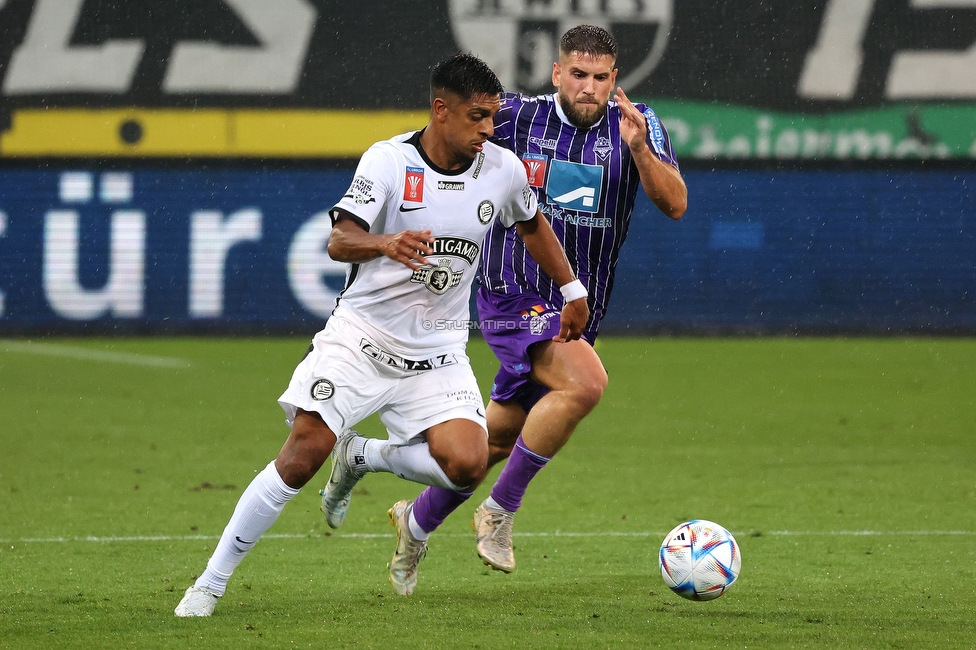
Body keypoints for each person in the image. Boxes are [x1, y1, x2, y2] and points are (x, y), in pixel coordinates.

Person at [174, 52, 588, 616]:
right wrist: (384, 243)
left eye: (493, 117)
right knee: (303, 453)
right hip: (362, 338)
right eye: (477, 117)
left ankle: (363, 455)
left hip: (438, 348)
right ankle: (210, 583)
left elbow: (532, 224)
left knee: (468, 464)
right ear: (441, 111)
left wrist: (571, 290)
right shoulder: (389, 162)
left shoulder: (502, 169)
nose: (489, 129)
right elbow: (340, 241)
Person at [322, 25, 686, 592]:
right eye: (578, 75)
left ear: (615, 79)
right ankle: (499, 513)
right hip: (509, 288)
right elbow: (435, 139)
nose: (588, 88)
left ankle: (407, 514)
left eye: (600, 78)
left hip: (575, 302)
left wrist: (639, 149)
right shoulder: (516, 117)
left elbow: (676, 203)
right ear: (557, 74)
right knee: (585, 384)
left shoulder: (638, 125)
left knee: (494, 440)